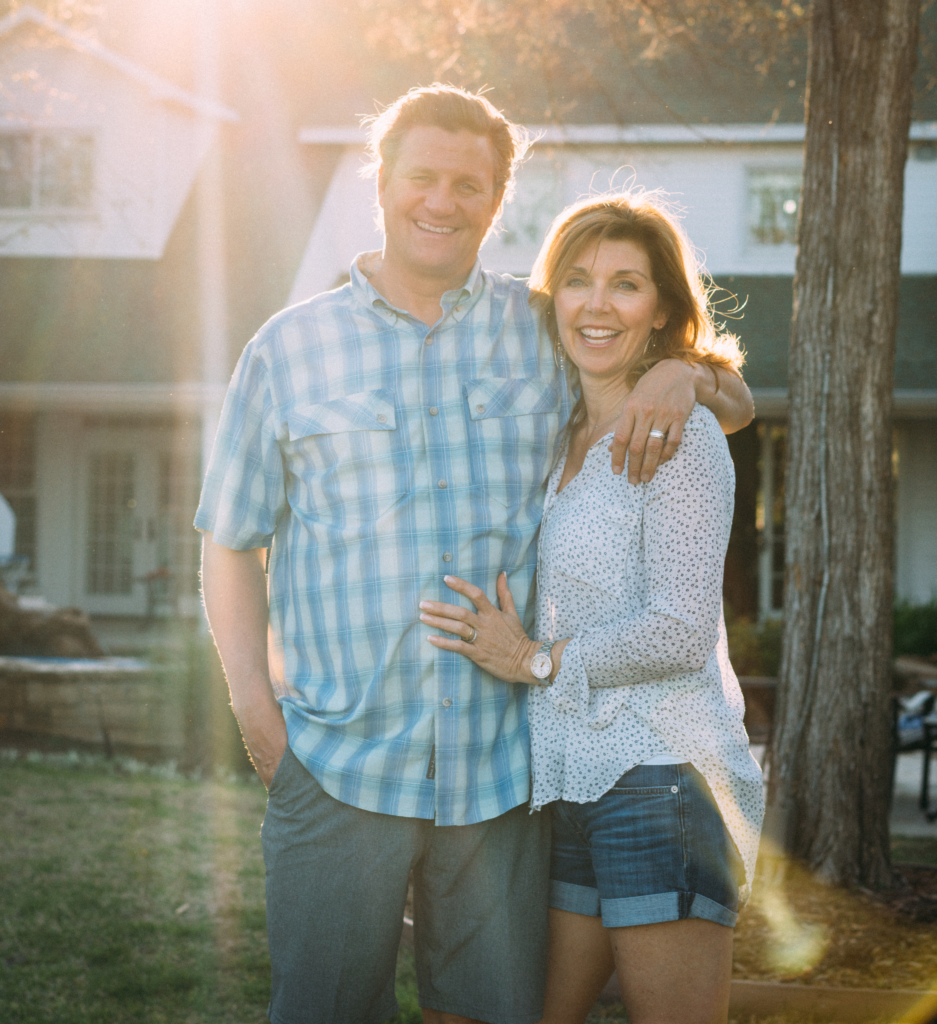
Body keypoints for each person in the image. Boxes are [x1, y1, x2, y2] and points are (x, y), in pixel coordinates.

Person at [196, 86, 754, 1024]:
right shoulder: (289, 350)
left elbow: (707, 387)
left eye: (469, 184)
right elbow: (229, 539)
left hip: (501, 781)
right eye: (422, 177)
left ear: (496, 201)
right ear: (382, 182)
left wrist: (685, 374)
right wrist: (258, 716)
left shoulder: (535, 330)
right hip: (339, 766)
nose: (442, 202)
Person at [420, 192, 764, 1024]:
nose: (597, 304)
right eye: (577, 281)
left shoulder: (679, 441)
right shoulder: (563, 429)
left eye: (625, 284)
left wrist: (533, 659)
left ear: (662, 311)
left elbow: (681, 633)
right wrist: (700, 372)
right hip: (570, 780)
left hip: (663, 778)